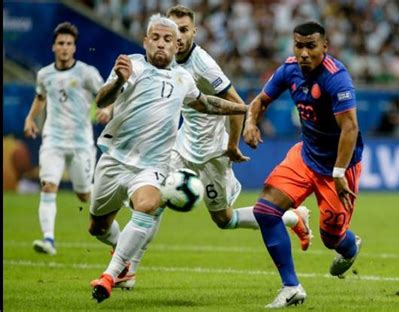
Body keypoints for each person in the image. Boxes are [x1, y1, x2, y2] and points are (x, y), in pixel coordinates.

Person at [110, 4, 314, 290]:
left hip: (212, 154)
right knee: (153, 204)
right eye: (173, 30)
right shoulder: (164, 57)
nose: (177, 36)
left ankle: (293, 217)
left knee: (224, 219)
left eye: (183, 30)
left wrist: (231, 145)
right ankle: (127, 270)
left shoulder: (203, 64)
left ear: (194, 31)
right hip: (180, 147)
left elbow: (235, 103)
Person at [88, 13, 248, 303]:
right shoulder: (130, 65)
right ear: (146, 41)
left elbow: (207, 103)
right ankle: (120, 251)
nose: (161, 44)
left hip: (152, 166)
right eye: (156, 38)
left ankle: (111, 275)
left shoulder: (183, 78)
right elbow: (101, 100)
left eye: (168, 40)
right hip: (114, 159)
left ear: (177, 46)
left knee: (148, 205)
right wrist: (118, 82)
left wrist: (243, 109)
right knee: (97, 227)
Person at [243, 21, 364, 308]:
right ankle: (291, 286)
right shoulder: (288, 69)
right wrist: (250, 123)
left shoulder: (337, 78)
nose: (304, 53)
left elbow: (350, 128)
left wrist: (337, 173)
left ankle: (350, 247)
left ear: (325, 46)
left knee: (331, 238)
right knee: (265, 210)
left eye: (311, 46)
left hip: (339, 166)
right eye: (299, 45)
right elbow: (260, 101)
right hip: (305, 156)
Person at [23, 22, 111, 256]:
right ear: (53, 46)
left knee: (83, 194)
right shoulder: (44, 74)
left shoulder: (86, 73)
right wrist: (30, 118)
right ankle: (48, 240)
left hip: (81, 143)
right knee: (48, 185)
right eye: (60, 43)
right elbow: (41, 97)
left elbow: (105, 95)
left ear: (74, 48)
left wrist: (108, 109)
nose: (64, 47)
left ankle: (109, 215)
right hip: (53, 140)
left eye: (69, 44)